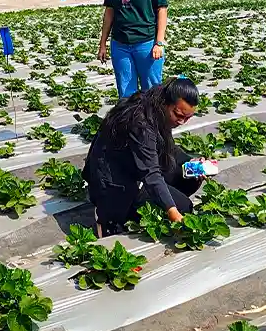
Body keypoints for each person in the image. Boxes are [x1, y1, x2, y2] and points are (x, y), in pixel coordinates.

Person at [83, 77, 202, 237]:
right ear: (167, 102)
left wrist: (191, 162)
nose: (182, 122)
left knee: (186, 174)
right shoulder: (140, 122)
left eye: (187, 118)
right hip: (114, 184)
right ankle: (110, 219)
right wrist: (173, 212)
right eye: (178, 115)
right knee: (183, 207)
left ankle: (151, 207)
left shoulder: (156, 106)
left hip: (132, 169)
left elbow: (168, 148)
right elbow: (151, 174)